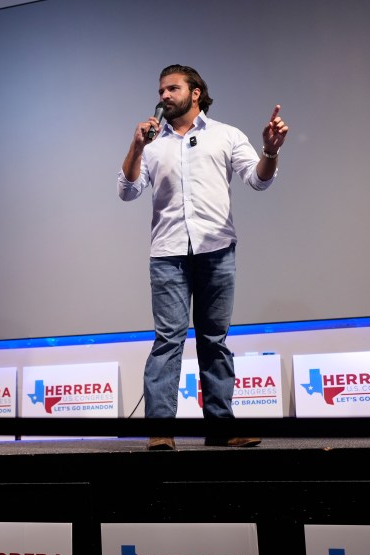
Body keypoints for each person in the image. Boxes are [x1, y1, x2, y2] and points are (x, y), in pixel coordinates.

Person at [117, 64, 289, 450]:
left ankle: (221, 428)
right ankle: (161, 432)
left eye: (172, 88)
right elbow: (127, 190)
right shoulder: (153, 143)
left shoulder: (226, 136)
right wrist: (136, 146)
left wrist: (271, 151)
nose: (163, 96)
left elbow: (259, 179)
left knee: (214, 340)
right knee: (167, 341)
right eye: (161, 90)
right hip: (168, 255)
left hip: (217, 252)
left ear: (195, 93)